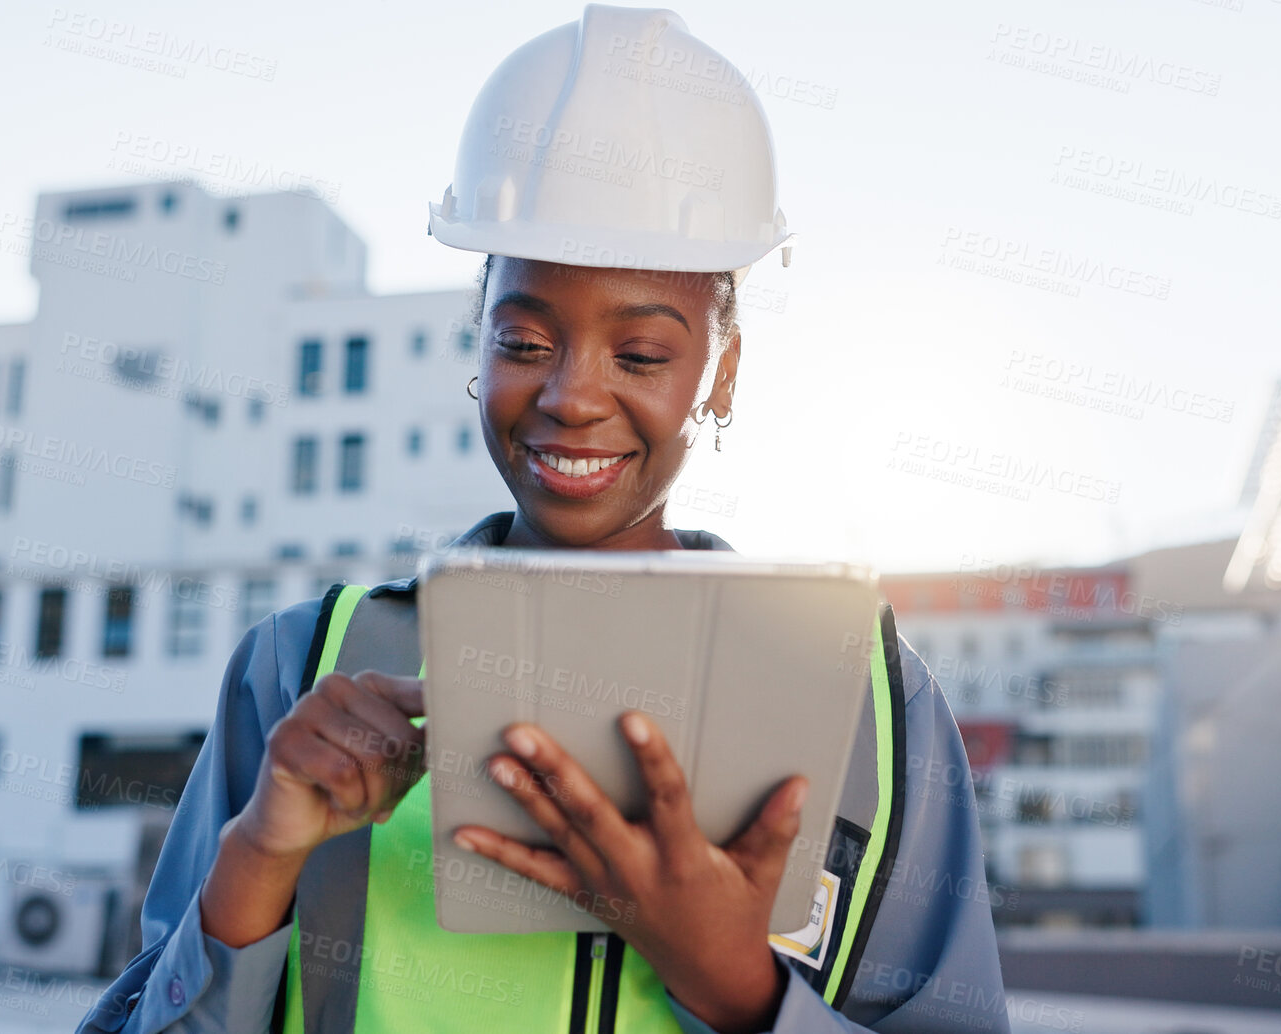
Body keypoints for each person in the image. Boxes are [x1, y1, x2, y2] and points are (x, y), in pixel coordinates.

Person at [77, 6, 1008, 1032]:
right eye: (523, 341)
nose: (571, 393)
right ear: (475, 345)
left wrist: (738, 988)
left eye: (642, 355)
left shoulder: (869, 702)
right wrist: (260, 851)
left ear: (722, 371)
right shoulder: (303, 666)